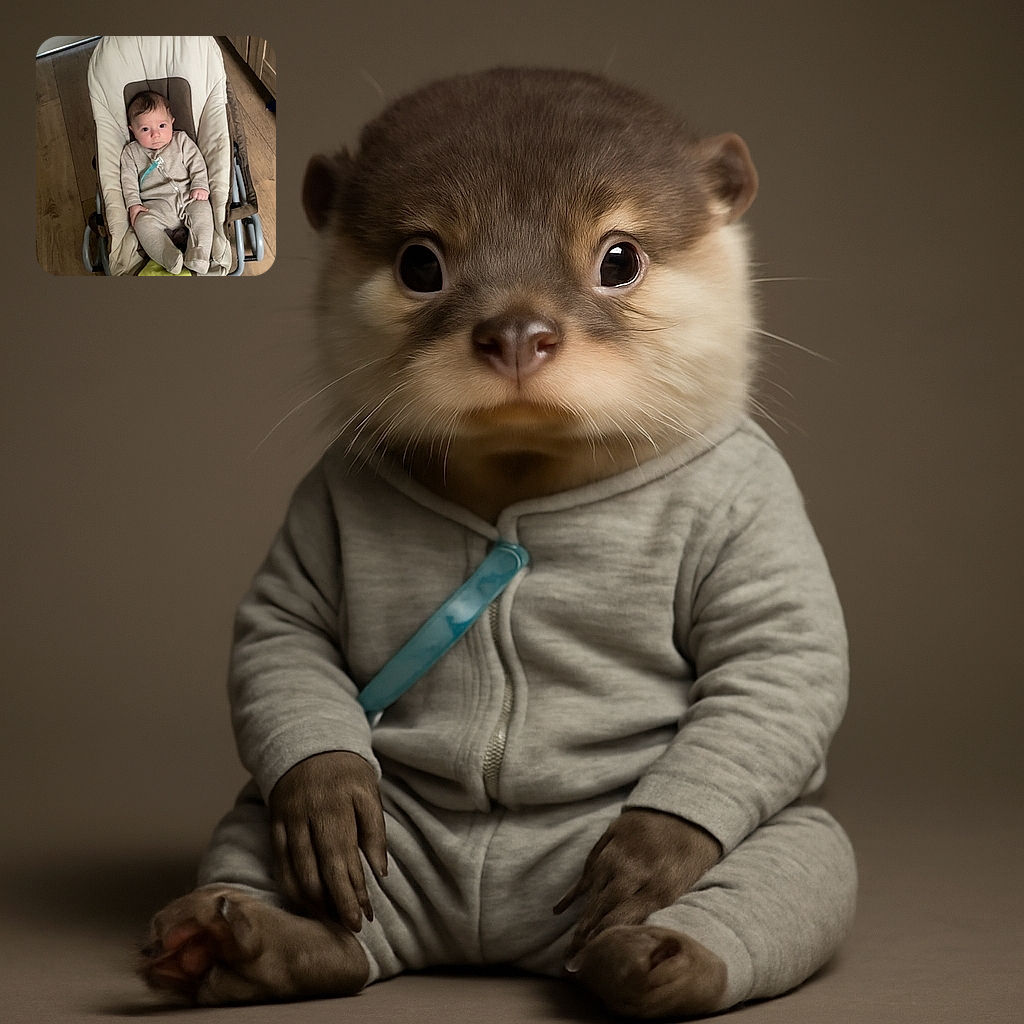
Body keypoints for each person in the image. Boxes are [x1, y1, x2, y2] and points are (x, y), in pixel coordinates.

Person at [119, 90, 214, 275]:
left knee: (203, 210)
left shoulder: (181, 140)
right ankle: (168, 256)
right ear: (132, 130)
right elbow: (128, 181)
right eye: (145, 129)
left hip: (189, 198)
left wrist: (200, 184)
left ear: (171, 122)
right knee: (141, 223)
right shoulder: (131, 153)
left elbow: (197, 163)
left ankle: (199, 254)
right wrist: (134, 204)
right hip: (156, 207)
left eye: (162, 125)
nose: (155, 135)